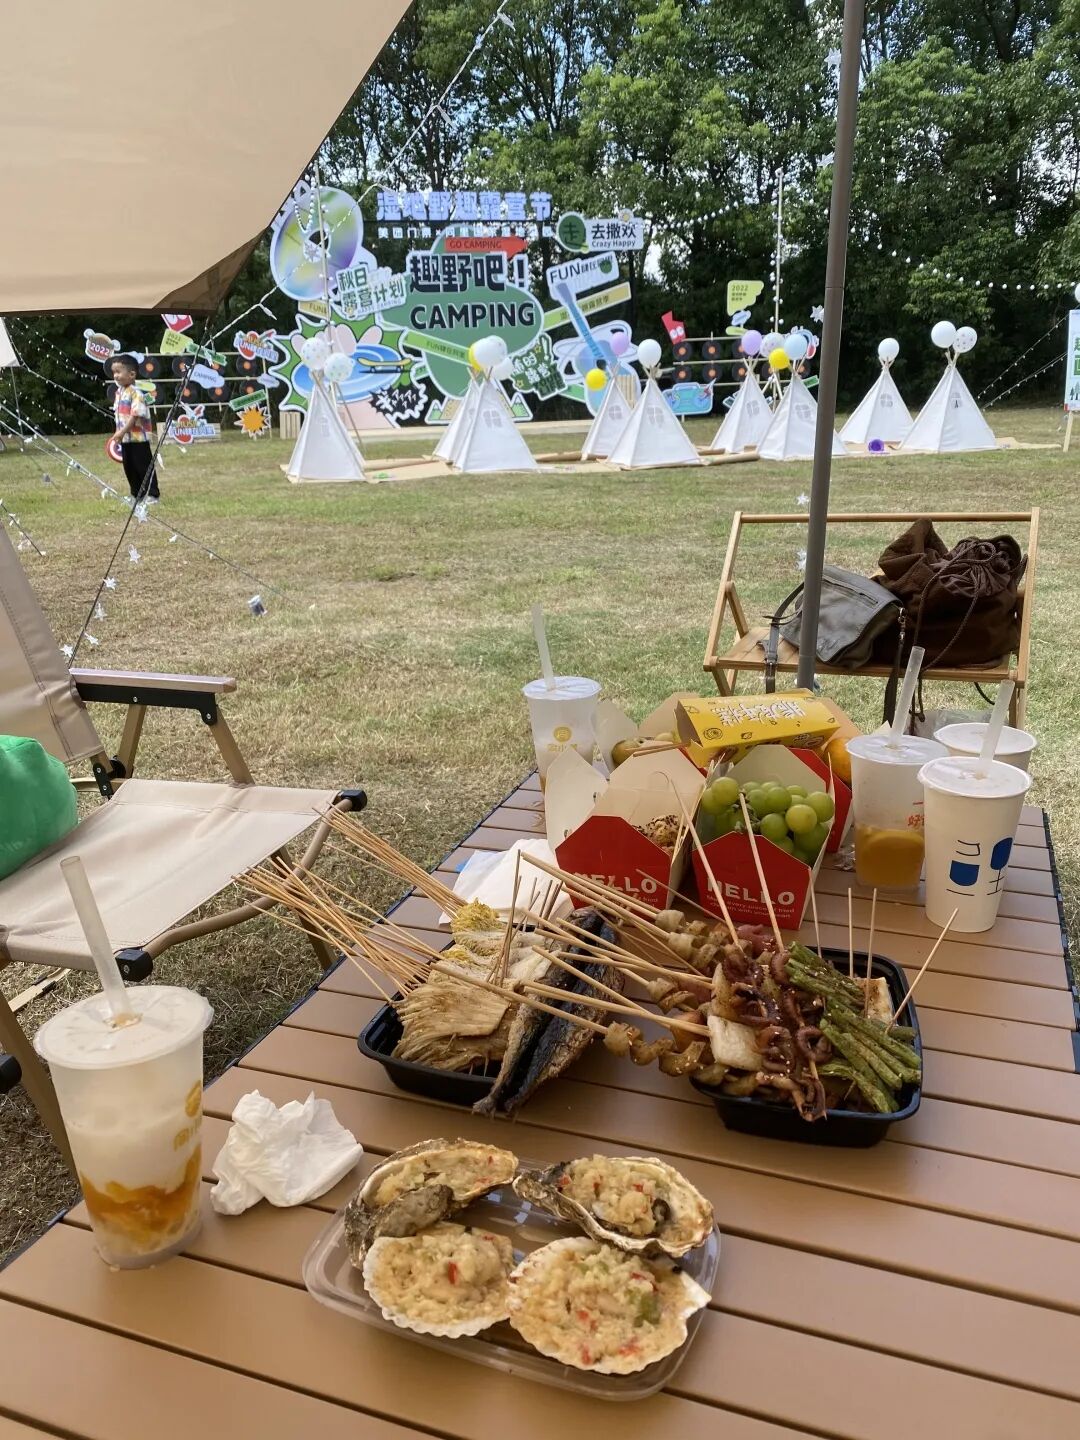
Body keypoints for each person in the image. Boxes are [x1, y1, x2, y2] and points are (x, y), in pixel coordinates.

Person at [110, 354, 159, 503]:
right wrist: (118, 433)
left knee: (143, 466)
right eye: (114, 372)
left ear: (131, 374)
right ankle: (136, 494)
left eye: (119, 372)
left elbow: (135, 415)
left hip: (139, 438)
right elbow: (119, 415)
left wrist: (122, 432)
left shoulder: (136, 393)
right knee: (129, 467)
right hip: (126, 439)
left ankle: (152, 494)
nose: (115, 376)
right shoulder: (119, 393)